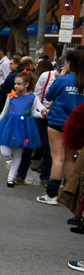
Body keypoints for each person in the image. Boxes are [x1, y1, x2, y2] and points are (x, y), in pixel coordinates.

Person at [38, 48, 84, 205]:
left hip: (58, 121)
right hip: (76, 124)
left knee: (57, 158)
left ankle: (51, 195)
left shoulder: (63, 80)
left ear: (69, 63)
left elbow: (49, 96)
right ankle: (69, 195)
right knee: (70, 159)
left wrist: (60, 78)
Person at [0, 70, 41, 186]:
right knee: (6, 152)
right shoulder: (11, 96)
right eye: (15, 83)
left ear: (26, 84)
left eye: (18, 83)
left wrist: (43, 114)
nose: (15, 85)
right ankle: (11, 172)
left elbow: (34, 112)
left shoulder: (32, 98)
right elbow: (4, 112)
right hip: (10, 126)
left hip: (23, 128)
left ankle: (10, 178)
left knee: (18, 154)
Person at [15, 59, 57, 185]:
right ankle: (21, 174)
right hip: (39, 114)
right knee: (30, 142)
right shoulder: (46, 76)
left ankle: (45, 176)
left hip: (53, 115)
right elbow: (36, 94)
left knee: (48, 147)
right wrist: (41, 109)